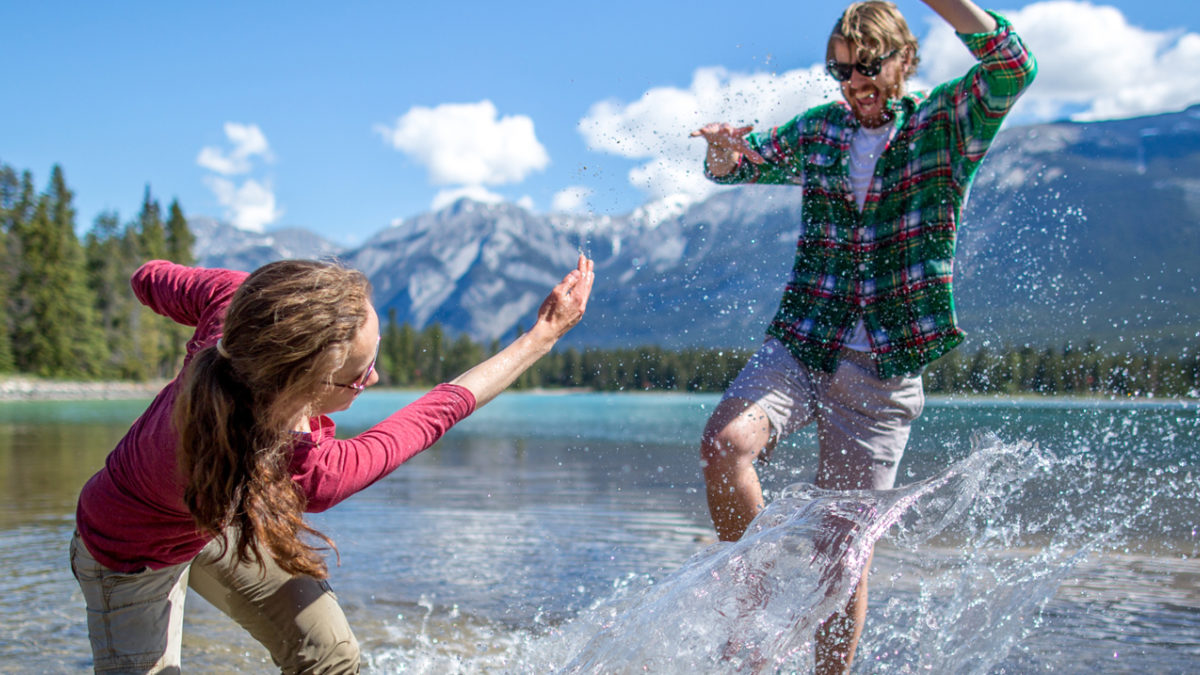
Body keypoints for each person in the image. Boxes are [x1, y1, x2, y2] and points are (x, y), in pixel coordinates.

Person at [692, 1, 1035, 671]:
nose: (853, 82)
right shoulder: (822, 130)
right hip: (804, 338)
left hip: (884, 364)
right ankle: (754, 617)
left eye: (867, 66)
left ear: (903, 60)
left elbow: (1012, 66)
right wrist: (721, 152)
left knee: (839, 553)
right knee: (724, 443)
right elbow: (738, 166)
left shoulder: (945, 125)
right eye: (840, 69)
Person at [70, 253, 594, 673]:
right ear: (305, 384)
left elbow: (150, 278)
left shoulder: (246, 312)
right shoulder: (304, 469)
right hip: (131, 553)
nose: (376, 379)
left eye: (375, 354)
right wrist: (540, 337)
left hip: (224, 520)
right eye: (361, 375)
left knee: (331, 658)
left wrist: (148, 283)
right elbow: (439, 411)